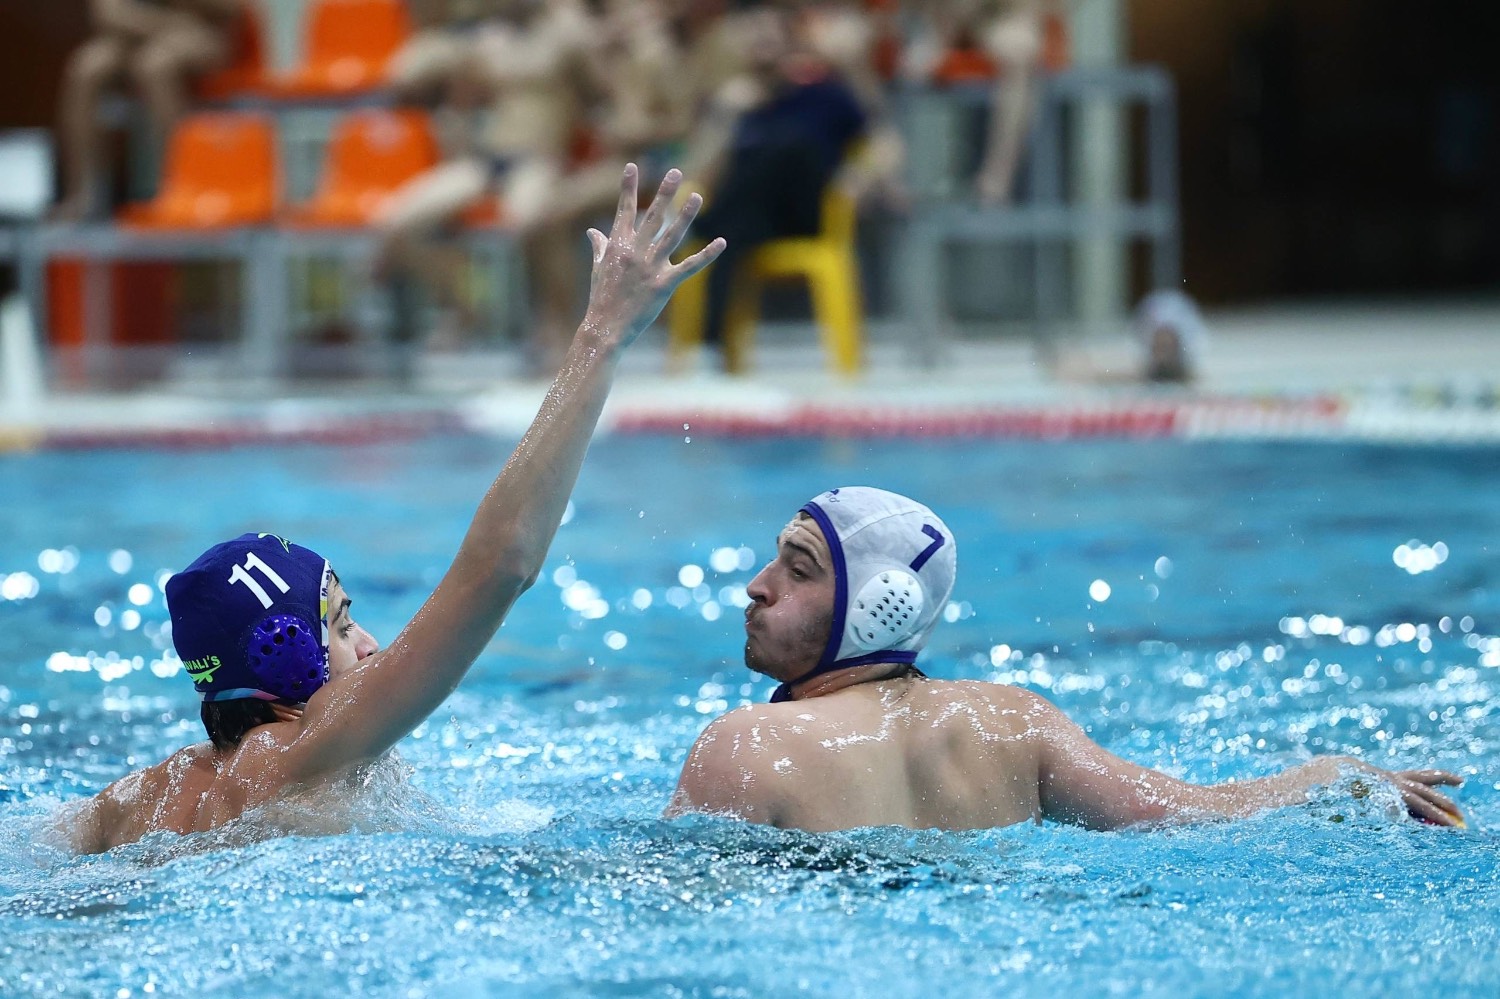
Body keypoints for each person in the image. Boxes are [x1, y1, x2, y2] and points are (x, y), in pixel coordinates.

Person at [62, 165, 724, 854]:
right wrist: (601, 336)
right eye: (342, 624)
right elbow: (499, 567)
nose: (371, 644)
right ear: (286, 656)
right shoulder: (310, 750)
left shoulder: (127, 801)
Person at [666, 486, 1467, 832]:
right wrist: (1326, 778)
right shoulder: (1013, 723)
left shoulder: (745, 745)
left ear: (881, 606)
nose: (758, 584)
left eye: (799, 568)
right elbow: (1192, 814)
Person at [54, 0, 242, 221]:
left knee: (155, 65)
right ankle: (84, 195)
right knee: (86, 67)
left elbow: (232, 7)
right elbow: (108, 13)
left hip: (200, 32)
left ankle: (181, 186)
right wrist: (167, 24)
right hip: (138, 30)